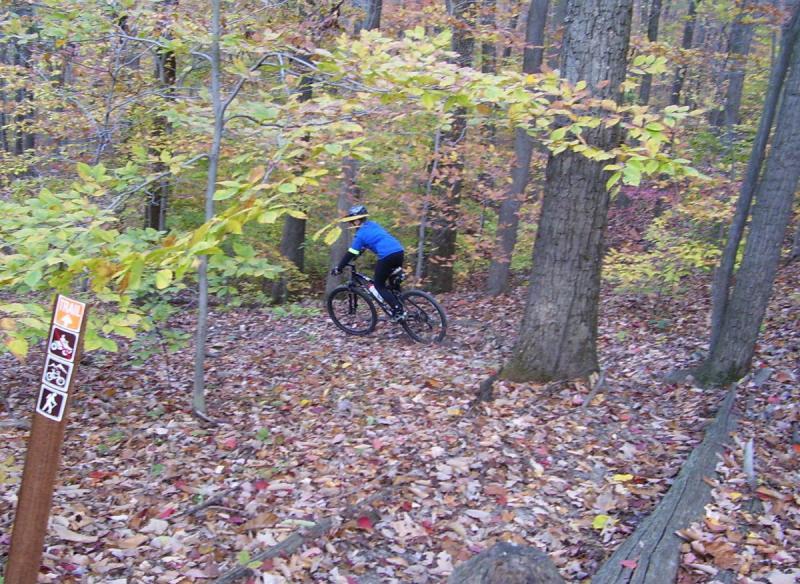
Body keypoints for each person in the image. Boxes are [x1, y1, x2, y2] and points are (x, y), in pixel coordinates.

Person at [331, 205, 406, 320]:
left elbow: (351, 252)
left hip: (386, 256)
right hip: (399, 252)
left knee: (379, 285)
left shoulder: (360, 235)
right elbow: (373, 241)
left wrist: (339, 268)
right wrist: (359, 253)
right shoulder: (373, 225)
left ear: (357, 221)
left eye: (351, 222)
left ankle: (398, 311)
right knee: (392, 284)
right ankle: (400, 301)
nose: (351, 224)